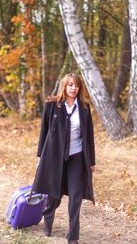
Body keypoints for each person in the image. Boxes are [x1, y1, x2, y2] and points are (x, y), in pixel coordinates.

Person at [32, 72, 96, 244]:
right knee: (55, 194)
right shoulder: (52, 105)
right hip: (55, 157)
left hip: (77, 156)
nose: (73, 88)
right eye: (70, 85)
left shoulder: (84, 108)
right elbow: (43, 133)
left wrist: (92, 162)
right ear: (64, 86)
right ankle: (48, 217)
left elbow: (89, 136)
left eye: (76, 85)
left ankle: (73, 236)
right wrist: (41, 157)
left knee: (76, 196)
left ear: (79, 88)